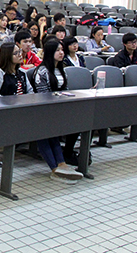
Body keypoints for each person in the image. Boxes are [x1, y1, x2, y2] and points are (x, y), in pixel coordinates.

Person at [30, 39, 84, 183]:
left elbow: (65, 90)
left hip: (57, 109)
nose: (61, 53)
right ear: (49, 53)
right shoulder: (41, 71)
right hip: (42, 110)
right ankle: (55, 169)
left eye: (62, 50)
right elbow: (42, 95)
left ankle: (61, 163)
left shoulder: (61, 70)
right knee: (44, 132)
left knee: (55, 131)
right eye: (57, 50)